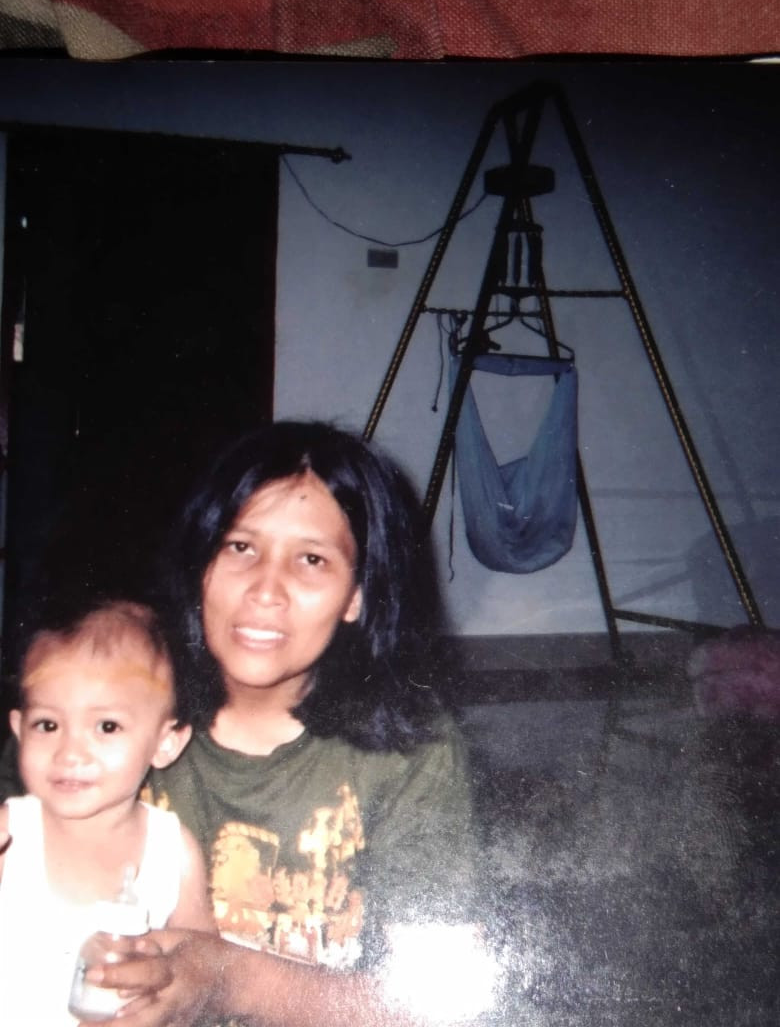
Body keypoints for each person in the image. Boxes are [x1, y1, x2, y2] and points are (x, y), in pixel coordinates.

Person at [73, 420, 497, 1026]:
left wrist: (228, 978)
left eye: (312, 559)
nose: (266, 589)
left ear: (357, 595)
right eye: (240, 547)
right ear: (201, 563)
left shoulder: (410, 750)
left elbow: (440, 1006)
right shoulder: (98, 709)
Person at [0, 599, 216, 1026]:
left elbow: (201, 969)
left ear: (165, 743)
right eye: (48, 725)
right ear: (19, 729)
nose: (70, 752)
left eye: (107, 726)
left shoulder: (172, 852)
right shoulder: (11, 832)